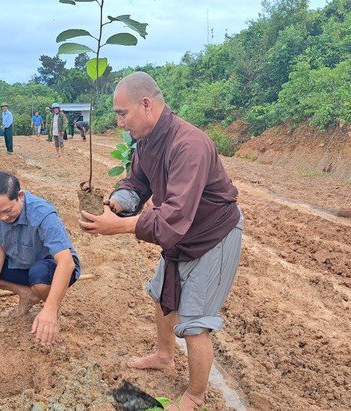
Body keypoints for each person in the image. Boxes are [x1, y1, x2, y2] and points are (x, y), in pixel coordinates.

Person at [78, 72, 244, 411]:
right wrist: (118, 203)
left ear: (146, 104)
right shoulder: (147, 142)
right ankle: (165, 356)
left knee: (195, 321)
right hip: (181, 234)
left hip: (212, 236)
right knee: (161, 294)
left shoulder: (189, 144)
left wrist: (120, 228)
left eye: (122, 113)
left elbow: (175, 214)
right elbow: (136, 182)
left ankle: (195, 397)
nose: (119, 122)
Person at [0, 171, 82, 345]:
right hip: (19, 261)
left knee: (39, 275)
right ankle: (26, 293)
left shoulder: (42, 213)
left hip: (50, 268)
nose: (3, 218)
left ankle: (52, 310)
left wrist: (50, 309)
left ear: (20, 196)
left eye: (8, 211)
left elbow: (66, 263)